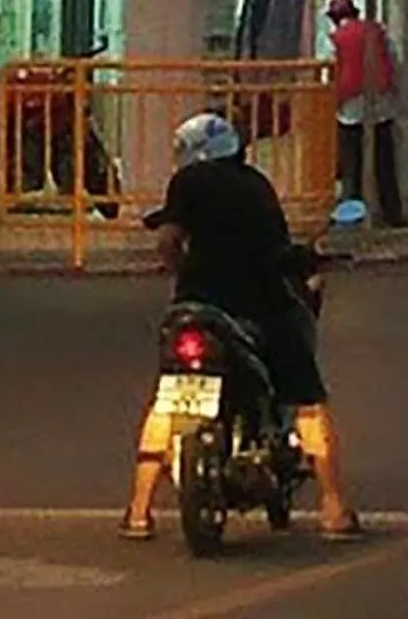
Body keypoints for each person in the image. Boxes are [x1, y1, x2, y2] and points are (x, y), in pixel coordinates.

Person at [122, 112, 359, 543]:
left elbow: (167, 242)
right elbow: (279, 249)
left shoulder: (187, 183)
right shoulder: (256, 186)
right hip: (260, 307)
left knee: (166, 398)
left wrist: (184, 277)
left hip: (194, 309)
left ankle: (138, 511)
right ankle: (334, 507)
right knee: (306, 397)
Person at [326, 0, 405, 228]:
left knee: (352, 169)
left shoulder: (336, 38)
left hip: (350, 109)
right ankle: (393, 214)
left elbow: (330, 72)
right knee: (385, 166)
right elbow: (393, 61)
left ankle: (353, 217)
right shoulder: (377, 31)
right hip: (381, 106)